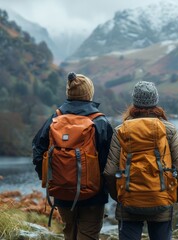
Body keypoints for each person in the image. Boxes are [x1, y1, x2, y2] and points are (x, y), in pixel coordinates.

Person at [104, 81, 178, 240]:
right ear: (155, 102)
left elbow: (109, 172)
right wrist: (173, 197)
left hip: (129, 201)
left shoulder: (120, 130)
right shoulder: (169, 129)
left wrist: (120, 196)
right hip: (161, 199)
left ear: (134, 103)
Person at [32, 72, 113, 240]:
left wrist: (49, 177)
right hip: (93, 195)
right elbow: (111, 161)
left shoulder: (55, 118)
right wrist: (106, 188)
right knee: (88, 234)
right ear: (89, 93)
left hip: (62, 191)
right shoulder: (100, 122)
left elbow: (38, 151)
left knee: (69, 232)